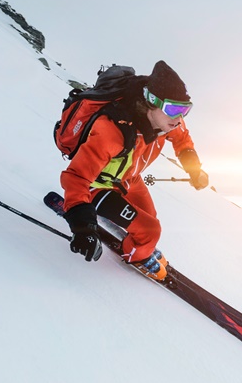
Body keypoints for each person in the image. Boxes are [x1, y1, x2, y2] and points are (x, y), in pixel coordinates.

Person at [60, 60, 209, 281]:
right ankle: (136, 257)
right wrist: (82, 226)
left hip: (129, 177)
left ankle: (141, 242)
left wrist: (194, 169)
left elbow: (183, 139)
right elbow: (77, 177)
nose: (179, 119)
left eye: (185, 110)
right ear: (151, 102)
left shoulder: (166, 121)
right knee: (150, 230)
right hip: (98, 185)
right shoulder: (112, 131)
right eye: (174, 109)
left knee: (150, 218)